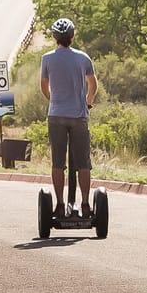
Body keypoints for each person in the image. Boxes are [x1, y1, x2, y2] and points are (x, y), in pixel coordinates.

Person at [40, 17, 97, 218]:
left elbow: (44, 86)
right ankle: (85, 204)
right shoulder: (83, 58)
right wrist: (87, 101)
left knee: (58, 162)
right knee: (83, 163)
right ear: (72, 36)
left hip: (56, 115)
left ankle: (60, 204)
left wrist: (53, 100)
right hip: (78, 115)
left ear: (55, 37)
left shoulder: (47, 58)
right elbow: (93, 84)